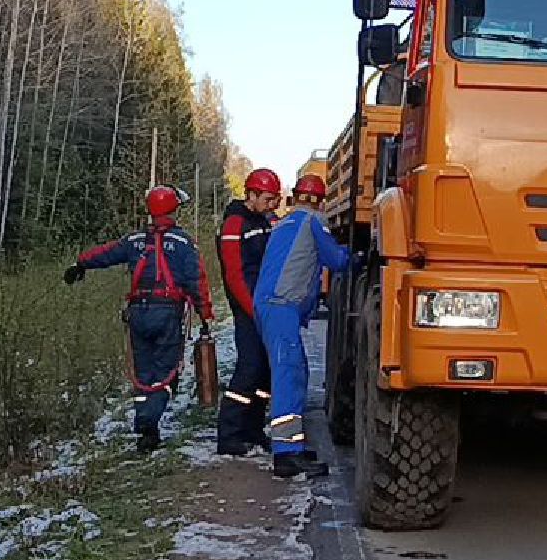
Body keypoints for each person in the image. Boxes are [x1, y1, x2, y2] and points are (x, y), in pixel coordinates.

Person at [64, 185, 215, 452]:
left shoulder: (134, 240)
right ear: (174, 209)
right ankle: (150, 422)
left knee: (143, 372)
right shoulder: (183, 243)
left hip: (138, 313)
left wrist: (80, 264)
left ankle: (145, 422)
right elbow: (196, 280)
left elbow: (106, 254)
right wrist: (204, 314)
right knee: (166, 372)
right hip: (167, 313)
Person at [252, 173, 350, 479]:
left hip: (273, 307)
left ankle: (291, 445)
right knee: (288, 376)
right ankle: (286, 455)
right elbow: (335, 260)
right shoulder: (313, 221)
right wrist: (356, 257)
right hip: (281, 308)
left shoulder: (286, 221)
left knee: (295, 372)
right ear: (321, 200)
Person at [214, 168, 280, 455]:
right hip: (247, 306)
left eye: (275, 199)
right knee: (250, 367)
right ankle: (229, 434)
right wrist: (252, 309)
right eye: (268, 198)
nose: (272, 204)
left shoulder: (264, 220)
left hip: (263, 303)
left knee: (264, 370)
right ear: (251, 195)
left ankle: (253, 430)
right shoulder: (234, 224)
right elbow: (233, 274)